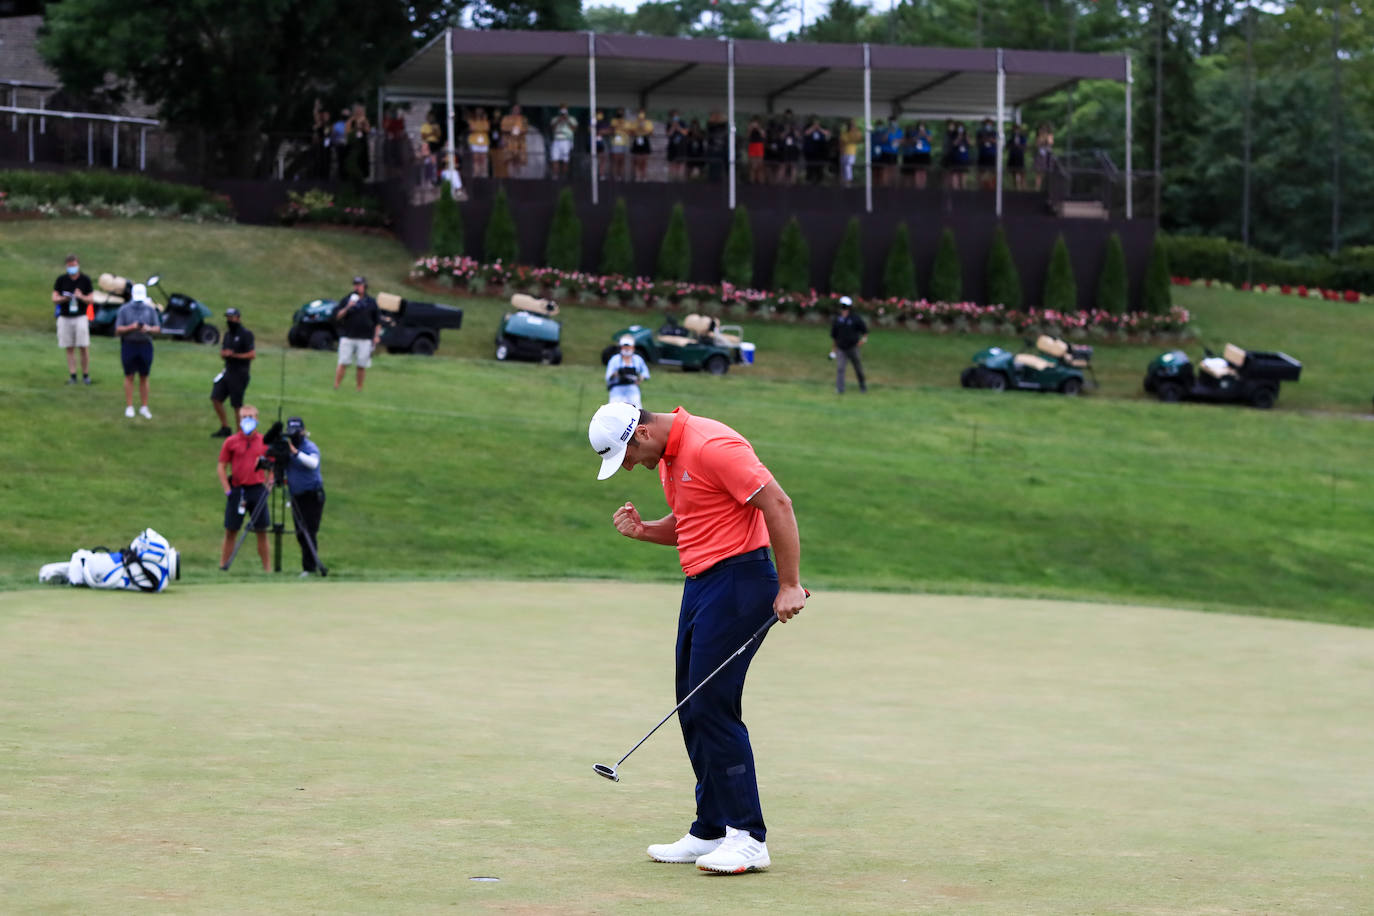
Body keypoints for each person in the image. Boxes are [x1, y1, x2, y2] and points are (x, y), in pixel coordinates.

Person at [586, 401, 807, 875]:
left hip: (741, 581)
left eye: (627, 456)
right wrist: (645, 531)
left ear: (642, 433)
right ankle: (711, 829)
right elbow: (692, 525)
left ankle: (748, 837)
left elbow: (778, 503)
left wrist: (789, 583)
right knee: (690, 702)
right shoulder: (669, 457)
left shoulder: (712, 445)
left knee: (713, 705)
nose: (631, 466)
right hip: (702, 583)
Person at [216, 403, 271, 571]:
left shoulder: (264, 442)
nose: (247, 420)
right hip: (238, 489)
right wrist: (228, 489)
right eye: (244, 417)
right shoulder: (231, 442)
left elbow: (273, 465)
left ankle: (267, 569)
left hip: (257, 489)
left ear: (257, 419)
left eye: (251, 417)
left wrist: (269, 485)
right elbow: (221, 466)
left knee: (261, 531)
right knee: (231, 530)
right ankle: (223, 566)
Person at [282, 416, 325, 577]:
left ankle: (310, 568)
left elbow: (313, 463)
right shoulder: (286, 448)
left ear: (303, 431)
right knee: (300, 533)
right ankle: (308, 566)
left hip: (312, 495)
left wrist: (295, 452)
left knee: (309, 531)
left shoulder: (309, 446)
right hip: (296, 497)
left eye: (297, 431)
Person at [115, 282, 161, 419]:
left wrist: (148, 329)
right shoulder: (124, 309)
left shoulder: (150, 310)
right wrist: (131, 327)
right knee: (129, 375)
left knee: (144, 376)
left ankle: (144, 407)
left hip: (145, 344)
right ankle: (129, 406)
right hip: (129, 344)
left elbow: (158, 328)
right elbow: (118, 329)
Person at [210, 307, 255, 438]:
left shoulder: (246, 334)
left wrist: (235, 355)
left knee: (236, 404)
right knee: (216, 397)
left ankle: (239, 433)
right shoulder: (228, 335)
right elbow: (223, 352)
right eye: (228, 317)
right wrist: (225, 354)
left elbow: (252, 354)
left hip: (240, 373)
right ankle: (225, 427)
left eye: (231, 317)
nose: (229, 320)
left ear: (238, 318)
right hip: (227, 372)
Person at [332, 275, 381, 392]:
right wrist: (348, 307)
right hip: (348, 336)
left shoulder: (371, 302)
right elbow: (337, 316)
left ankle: (359, 388)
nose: (357, 287)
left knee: (361, 365)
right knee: (343, 362)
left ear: (364, 286)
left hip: (365, 338)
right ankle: (336, 386)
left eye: (359, 285)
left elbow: (377, 321)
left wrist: (376, 336)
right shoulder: (347, 299)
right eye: (355, 285)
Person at [52, 253, 94, 385]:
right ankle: (73, 375)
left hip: (80, 317)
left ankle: (86, 375)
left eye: (74, 265)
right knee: (69, 347)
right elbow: (54, 298)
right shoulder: (61, 280)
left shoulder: (85, 280)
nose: (72, 268)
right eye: (70, 266)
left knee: (83, 346)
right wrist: (65, 298)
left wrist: (81, 296)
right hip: (65, 317)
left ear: (78, 265)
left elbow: (91, 299)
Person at [830, 296, 868, 394]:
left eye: (845, 306)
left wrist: (861, 342)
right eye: (842, 306)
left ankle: (862, 385)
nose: (843, 308)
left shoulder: (855, 318)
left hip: (853, 347)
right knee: (840, 368)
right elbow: (834, 336)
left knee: (858, 368)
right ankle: (840, 389)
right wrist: (833, 350)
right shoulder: (837, 319)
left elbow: (865, 332)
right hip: (841, 348)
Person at [605, 334, 650, 407]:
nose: (626, 349)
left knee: (636, 410)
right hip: (617, 389)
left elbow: (646, 372)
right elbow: (608, 376)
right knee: (614, 409)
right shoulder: (615, 359)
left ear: (633, 348)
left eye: (628, 347)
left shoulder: (638, 359)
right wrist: (616, 374)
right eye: (624, 347)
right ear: (621, 347)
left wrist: (641, 377)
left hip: (632, 388)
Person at [549, 104, 578, 180]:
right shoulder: (555, 119)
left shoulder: (572, 119)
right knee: (555, 158)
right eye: (562, 109)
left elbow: (574, 129)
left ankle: (564, 176)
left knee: (565, 159)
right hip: (557, 140)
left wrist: (567, 120)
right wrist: (559, 120)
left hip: (566, 140)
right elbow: (552, 128)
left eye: (564, 109)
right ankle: (555, 176)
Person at [500, 104, 528, 175]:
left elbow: (525, 129)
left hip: (520, 142)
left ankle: (517, 177)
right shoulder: (506, 118)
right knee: (509, 159)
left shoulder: (523, 119)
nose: (516, 110)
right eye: (515, 109)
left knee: (518, 160)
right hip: (509, 141)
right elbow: (503, 129)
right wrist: (509, 132)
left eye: (518, 109)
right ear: (512, 109)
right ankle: (511, 176)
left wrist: (519, 131)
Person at [630, 109, 654, 182]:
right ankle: (637, 177)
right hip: (637, 139)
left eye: (642, 113)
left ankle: (643, 177)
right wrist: (638, 128)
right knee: (636, 160)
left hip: (645, 139)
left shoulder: (648, 122)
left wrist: (643, 128)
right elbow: (631, 132)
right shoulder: (634, 123)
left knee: (644, 161)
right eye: (639, 113)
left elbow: (651, 133)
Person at [465, 107, 489, 179]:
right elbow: (471, 128)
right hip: (474, 141)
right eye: (478, 111)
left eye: (480, 111)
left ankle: (484, 174)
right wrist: (480, 129)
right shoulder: (472, 120)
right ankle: (476, 173)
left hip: (483, 141)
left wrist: (478, 128)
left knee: (483, 158)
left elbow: (486, 128)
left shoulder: (485, 121)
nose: (479, 113)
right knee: (475, 159)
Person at [838, 119, 863, 187]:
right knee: (843, 168)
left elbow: (860, 139)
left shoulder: (856, 133)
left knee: (848, 166)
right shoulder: (844, 134)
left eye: (852, 126)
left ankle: (848, 182)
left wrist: (855, 129)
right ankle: (843, 183)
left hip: (851, 154)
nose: (851, 127)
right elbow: (842, 143)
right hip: (843, 153)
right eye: (850, 125)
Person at [665, 111, 689, 182]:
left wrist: (678, 127)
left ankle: (679, 179)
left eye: (676, 115)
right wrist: (673, 127)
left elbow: (685, 133)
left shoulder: (683, 123)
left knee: (680, 163)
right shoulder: (669, 123)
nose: (675, 117)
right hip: (672, 146)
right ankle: (672, 179)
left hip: (681, 146)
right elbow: (668, 134)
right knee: (672, 163)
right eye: (673, 115)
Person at [609, 108, 630, 180]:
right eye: (619, 111)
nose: (620, 113)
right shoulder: (614, 121)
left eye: (622, 112)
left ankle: (620, 176)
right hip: (616, 142)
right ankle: (614, 176)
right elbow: (612, 129)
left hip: (624, 142)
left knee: (622, 160)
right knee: (615, 160)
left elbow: (630, 130)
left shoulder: (626, 122)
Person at [1007, 123, 1028, 189]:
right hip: (1013, 156)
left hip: (1020, 156)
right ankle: (1015, 187)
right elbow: (1007, 146)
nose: (1015, 130)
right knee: (1013, 172)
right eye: (1014, 129)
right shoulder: (1011, 138)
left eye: (1017, 129)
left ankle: (1023, 187)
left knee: (1022, 172)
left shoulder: (1022, 137)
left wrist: (1019, 146)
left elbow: (1025, 147)